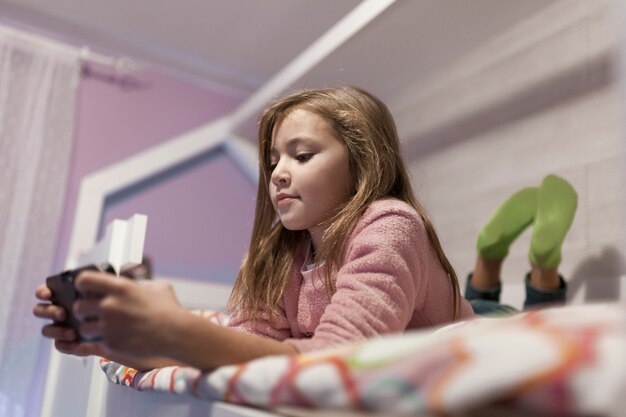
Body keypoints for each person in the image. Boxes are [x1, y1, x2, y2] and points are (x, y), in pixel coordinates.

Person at [33, 86, 474, 372]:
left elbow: (337, 365)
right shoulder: (283, 256)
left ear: (363, 163)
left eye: (301, 156)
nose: (277, 174)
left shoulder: (389, 225)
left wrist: (178, 329)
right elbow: (235, 355)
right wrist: (116, 343)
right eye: (273, 161)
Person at [464, 174, 577, 315]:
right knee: (465, 312)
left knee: (471, 317)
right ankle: (487, 260)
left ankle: (544, 266)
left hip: (479, 325)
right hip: (463, 313)